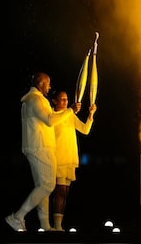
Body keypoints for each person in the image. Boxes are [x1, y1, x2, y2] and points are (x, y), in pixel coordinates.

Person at [6, 72, 81, 232]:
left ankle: (45, 225)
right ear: (41, 83)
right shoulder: (36, 99)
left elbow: (50, 118)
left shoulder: (32, 100)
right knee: (47, 185)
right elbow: (49, 120)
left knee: (42, 186)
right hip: (40, 147)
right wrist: (69, 111)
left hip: (37, 147)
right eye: (48, 84)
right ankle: (18, 217)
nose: (50, 87)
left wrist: (69, 113)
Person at [49, 90, 97, 231]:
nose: (65, 101)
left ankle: (59, 225)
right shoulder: (51, 116)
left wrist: (91, 114)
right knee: (59, 191)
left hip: (70, 157)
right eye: (62, 99)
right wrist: (70, 110)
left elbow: (85, 129)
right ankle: (54, 225)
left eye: (66, 99)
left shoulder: (70, 115)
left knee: (64, 193)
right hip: (57, 158)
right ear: (54, 101)